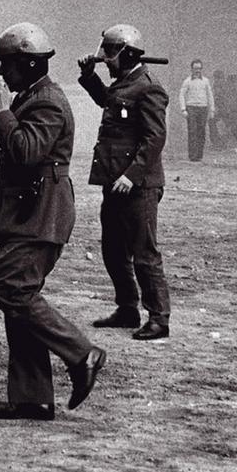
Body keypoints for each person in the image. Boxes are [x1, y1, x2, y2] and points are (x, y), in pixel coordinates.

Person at [0, 21, 104, 421]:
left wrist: (1, 114)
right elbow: (26, 162)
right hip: (26, 207)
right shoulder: (33, 96)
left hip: (40, 213)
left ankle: (82, 353)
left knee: (13, 291)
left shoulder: (47, 101)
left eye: (8, 65)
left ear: (30, 65)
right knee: (19, 300)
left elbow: (28, 151)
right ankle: (32, 398)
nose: (2, 73)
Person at [78, 24, 171, 342]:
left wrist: (131, 176)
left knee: (144, 253)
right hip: (114, 181)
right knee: (113, 250)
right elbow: (109, 103)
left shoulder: (148, 87)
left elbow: (155, 138)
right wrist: (91, 76)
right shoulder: (124, 84)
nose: (106, 60)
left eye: (110, 55)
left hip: (138, 185)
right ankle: (127, 308)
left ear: (128, 54)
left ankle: (159, 319)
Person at [178, 59, 214, 161]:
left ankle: (199, 156)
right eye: (195, 68)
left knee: (201, 132)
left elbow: (210, 95)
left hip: (203, 108)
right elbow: (181, 95)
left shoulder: (206, 81)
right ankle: (192, 156)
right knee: (192, 132)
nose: (197, 71)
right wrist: (183, 109)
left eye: (199, 68)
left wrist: (212, 110)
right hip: (191, 108)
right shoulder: (187, 81)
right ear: (192, 69)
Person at [216, 74, 237, 152]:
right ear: (230, 82)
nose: (236, 84)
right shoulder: (227, 91)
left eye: (236, 83)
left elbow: (234, 103)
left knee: (232, 130)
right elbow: (221, 101)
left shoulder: (232, 91)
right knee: (231, 130)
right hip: (227, 113)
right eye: (234, 82)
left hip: (230, 114)